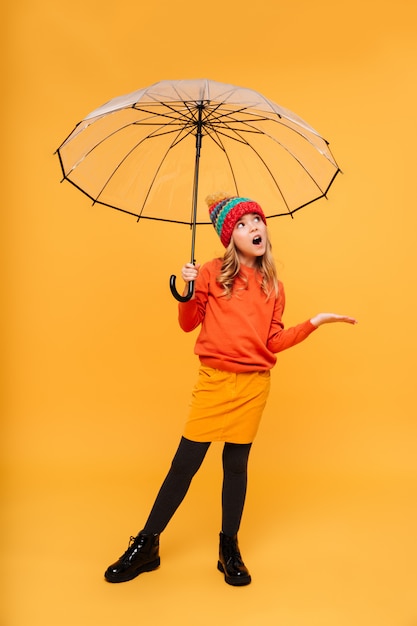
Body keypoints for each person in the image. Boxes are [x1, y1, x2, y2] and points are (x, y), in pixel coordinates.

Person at [104, 192, 357, 587]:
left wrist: (313, 322)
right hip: (214, 382)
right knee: (184, 465)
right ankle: (146, 544)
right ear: (229, 237)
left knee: (236, 466)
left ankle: (228, 548)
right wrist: (185, 294)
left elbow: (271, 341)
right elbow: (189, 324)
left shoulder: (275, 285)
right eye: (242, 224)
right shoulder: (209, 273)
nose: (254, 227)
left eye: (257, 220)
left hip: (254, 385)